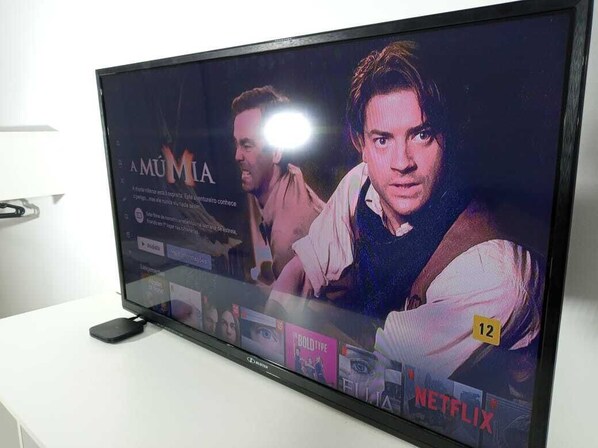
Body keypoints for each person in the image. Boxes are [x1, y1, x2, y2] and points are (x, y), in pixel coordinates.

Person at [268, 41, 543, 396]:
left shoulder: (491, 271)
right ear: (361, 144)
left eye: (421, 135)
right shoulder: (363, 183)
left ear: (446, 136)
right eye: (383, 140)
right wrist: (264, 336)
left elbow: (380, 380)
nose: (401, 163)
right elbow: (303, 270)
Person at [232, 86, 325, 284]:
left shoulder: (289, 238)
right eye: (237, 144)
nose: (237, 156)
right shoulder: (291, 177)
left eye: (247, 145)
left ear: (276, 152)